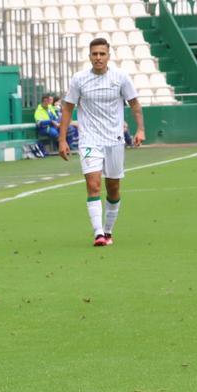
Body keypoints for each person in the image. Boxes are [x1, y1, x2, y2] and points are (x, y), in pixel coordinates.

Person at [59, 37, 145, 247]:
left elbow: (134, 104)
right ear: (89, 56)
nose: (98, 58)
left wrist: (140, 129)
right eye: (94, 54)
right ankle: (98, 233)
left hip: (114, 140)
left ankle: (108, 230)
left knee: (113, 187)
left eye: (102, 54)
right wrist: (62, 139)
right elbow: (68, 108)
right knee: (93, 185)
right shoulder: (79, 79)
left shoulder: (121, 78)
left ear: (108, 56)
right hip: (89, 141)